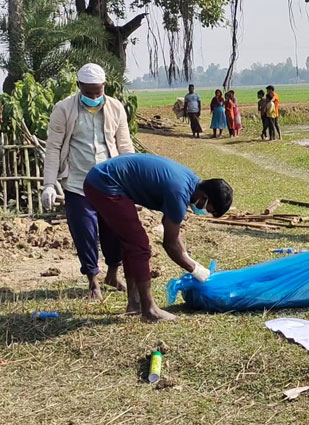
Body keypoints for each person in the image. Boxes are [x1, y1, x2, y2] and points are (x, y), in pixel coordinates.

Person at [83, 153, 234, 322]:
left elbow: (175, 237)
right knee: (139, 245)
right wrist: (198, 271)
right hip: (105, 184)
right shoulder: (179, 193)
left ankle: (134, 303)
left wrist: (191, 261)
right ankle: (149, 310)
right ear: (204, 197)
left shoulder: (191, 182)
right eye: (209, 210)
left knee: (132, 242)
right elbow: (170, 244)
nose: (204, 212)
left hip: (102, 178)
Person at [41, 63, 133, 301]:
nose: (94, 96)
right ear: (79, 86)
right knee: (84, 231)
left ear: (104, 86)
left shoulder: (115, 108)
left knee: (114, 230)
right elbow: (53, 148)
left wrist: (132, 180)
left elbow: (124, 145)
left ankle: (113, 274)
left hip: (110, 182)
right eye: (89, 91)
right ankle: (93, 280)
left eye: (98, 91)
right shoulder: (63, 109)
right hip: (77, 183)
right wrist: (49, 183)